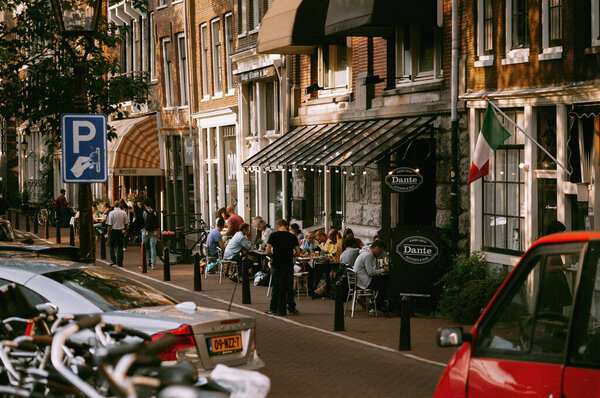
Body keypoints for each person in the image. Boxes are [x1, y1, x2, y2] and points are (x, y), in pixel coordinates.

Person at [266, 219, 300, 315]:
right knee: (289, 287)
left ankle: (273, 308)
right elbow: (298, 252)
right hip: (288, 264)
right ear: (286, 226)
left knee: (276, 286)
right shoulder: (292, 237)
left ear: (278, 226)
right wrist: (290, 255)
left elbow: (268, 251)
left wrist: (274, 255)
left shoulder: (273, 235)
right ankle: (291, 308)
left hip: (277, 264)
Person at [353, 240, 388, 311]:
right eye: (380, 251)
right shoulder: (367, 255)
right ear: (377, 247)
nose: (380, 254)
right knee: (385, 285)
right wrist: (384, 270)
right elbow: (370, 272)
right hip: (364, 282)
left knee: (383, 282)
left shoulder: (365, 254)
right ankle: (376, 307)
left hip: (360, 280)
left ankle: (375, 304)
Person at [106, 199, 129, 267]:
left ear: (114, 206)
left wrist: (108, 233)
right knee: (120, 247)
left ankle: (113, 260)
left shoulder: (111, 213)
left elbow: (109, 225)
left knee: (111, 246)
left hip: (113, 231)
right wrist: (125, 231)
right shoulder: (123, 213)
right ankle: (120, 262)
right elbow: (126, 224)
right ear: (119, 205)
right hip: (121, 231)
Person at [142, 199, 159, 270]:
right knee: (153, 247)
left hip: (146, 231)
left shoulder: (144, 212)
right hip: (154, 232)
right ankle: (153, 264)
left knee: (145, 246)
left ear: (145, 205)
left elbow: (143, 221)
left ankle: (147, 260)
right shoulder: (154, 211)